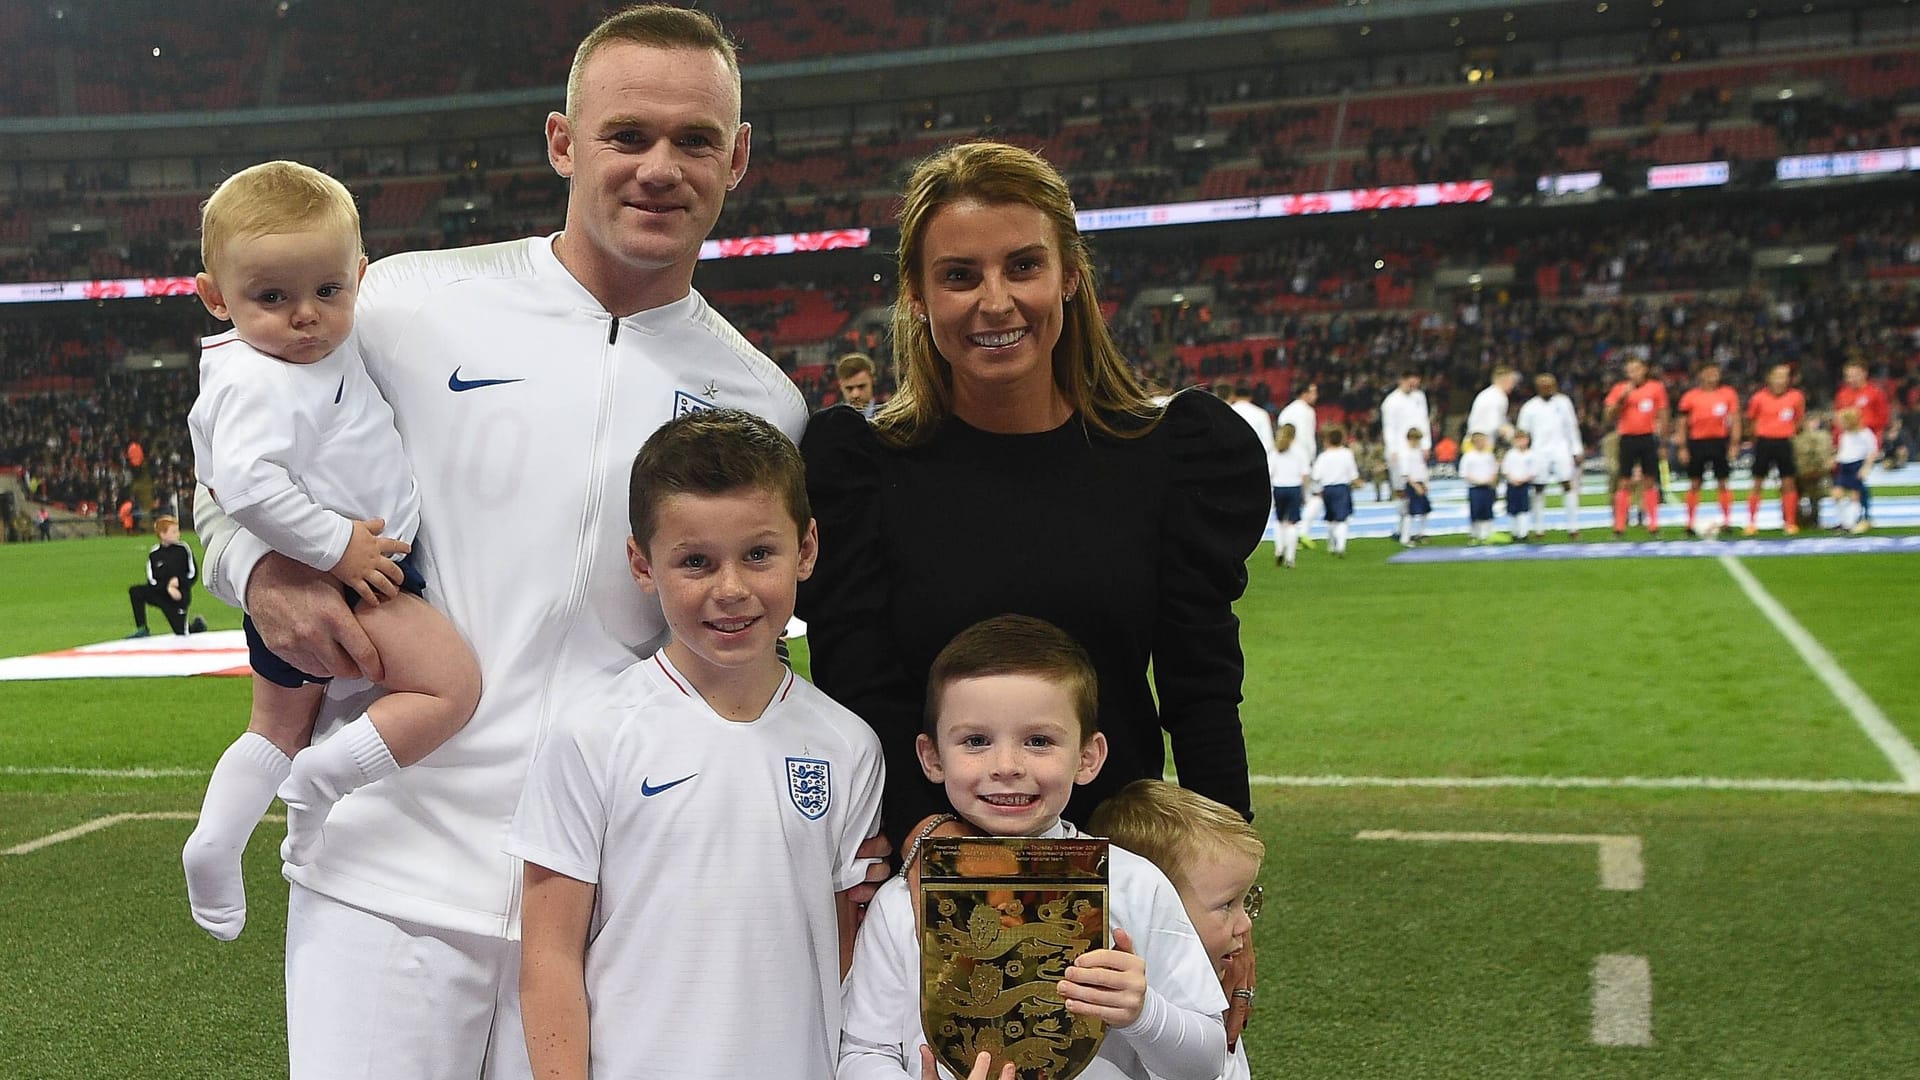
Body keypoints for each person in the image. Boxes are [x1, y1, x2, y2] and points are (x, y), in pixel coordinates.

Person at [191, 8, 865, 1078]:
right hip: (384, 871)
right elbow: (229, 457)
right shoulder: (406, 301)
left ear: (737, 158)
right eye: (626, 134)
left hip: (608, 907)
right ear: (562, 142)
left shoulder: (761, 403)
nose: (659, 168)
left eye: (695, 140)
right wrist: (256, 571)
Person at [798, 141, 1267, 844]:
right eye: (960, 275)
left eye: (1023, 266)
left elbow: (1199, 694)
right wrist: (926, 838)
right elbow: (858, 697)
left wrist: (1228, 892)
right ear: (917, 296)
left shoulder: (1171, 457)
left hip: (1122, 871)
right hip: (927, 875)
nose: (996, 302)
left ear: (1070, 276)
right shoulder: (858, 473)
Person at [511, 410, 883, 1080]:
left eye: (759, 555)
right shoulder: (593, 733)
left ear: (807, 548)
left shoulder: (849, 745)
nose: (731, 589)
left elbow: (843, 945)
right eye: (696, 562)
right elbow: (548, 958)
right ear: (641, 564)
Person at [180, 160, 482, 944]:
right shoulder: (258, 381)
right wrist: (336, 547)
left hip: (338, 569)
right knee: (450, 687)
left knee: (272, 729)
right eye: (271, 298)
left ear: (360, 277)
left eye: (327, 292)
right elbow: (240, 485)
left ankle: (214, 843)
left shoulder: (301, 353)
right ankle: (322, 782)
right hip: (351, 579)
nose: (306, 317)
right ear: (217, 297)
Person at [839, 614, 1229, 1080]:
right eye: (976, 741)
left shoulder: (1135, 883)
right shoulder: (903, 902)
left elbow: (1208, 1064)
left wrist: (1144, 1014)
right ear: (932, 758)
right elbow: (863, 1051)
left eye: (1038, 741)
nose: (1006, 765)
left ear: (1088, 757)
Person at [1088, 780, 1266, 1080]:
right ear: (1160, 905)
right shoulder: (1123, 1019)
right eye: (1227, 905)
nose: (1246, 923)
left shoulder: (1202, 997)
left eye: (1246, 900)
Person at [1602, 357, 1668, 538]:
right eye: (1630, 370)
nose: (1633, 373)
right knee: (1624, 482)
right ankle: (1619, 526)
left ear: (1644, 370)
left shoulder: (1656, 387)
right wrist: (1622, 397)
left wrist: (1663, 442)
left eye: (1636, 369)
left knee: (1649, 481)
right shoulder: (1619, 389)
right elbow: (1608, 416)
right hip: (1627, 438)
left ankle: (1653, 525)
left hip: (1648, 437)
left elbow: (1663, 414)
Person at [1675, 360, 1740, 536]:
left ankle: (1727, 521)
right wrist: (1682, 446)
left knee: (1723, 482)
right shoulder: (1690, 396)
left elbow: (1735, 419)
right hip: (1697, 442)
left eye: (1716, 372)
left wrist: (1735, 443)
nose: (1713, 375)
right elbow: (1681, 423)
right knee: (1695, 483)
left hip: (1720, 442)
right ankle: (1689, 523)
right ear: (1701, 375)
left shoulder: (1728, 394)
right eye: (1709, 372)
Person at [1515, 373, 1584, 539]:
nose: (1548, 389)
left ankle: (1573, 527)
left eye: (1550, 385)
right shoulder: (1529, 407)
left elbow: (1571, 427)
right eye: (1544, 386)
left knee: (1568, 485)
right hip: (1539, 452)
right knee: (1539, 487)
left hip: (1562, 450)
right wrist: (1523, 454)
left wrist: (1577, 449)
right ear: (1538, 388)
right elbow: (1522, 432)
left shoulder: (1564, 403)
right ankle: (1539, 528)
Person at [1744, 363, 1806, 536]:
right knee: (1757, 482)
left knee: (1788, 482)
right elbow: (1751, 420)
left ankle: (1790, 523)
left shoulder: (1796, 397)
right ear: (1769, 378)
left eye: (1784, 376)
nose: (1780, 380)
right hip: (1764, 442)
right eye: (1777, 375)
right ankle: (1751, 522)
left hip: (1785, 442)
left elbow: (1799, 420)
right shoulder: (1758, 398)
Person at [128, 514, 199, 637]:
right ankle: (142, 628)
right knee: (135, 591)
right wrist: (167, 587)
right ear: (162, 534)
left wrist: (179, 583)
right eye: (174, 531)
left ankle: (197, 626)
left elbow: (193, 573)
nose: (178, 534)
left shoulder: (183, 549)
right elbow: (152, 580)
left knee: (181, 632)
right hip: (162, 594)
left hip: (179, 596)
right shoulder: (154, 553)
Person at [1381, 371, 1431, 542]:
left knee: (1421, 487)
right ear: (1401, 380)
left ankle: (1416, 530)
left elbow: (1424, 421)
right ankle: (1401, 528)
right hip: (1400, 451)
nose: (1414, 386)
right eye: (1410, 382)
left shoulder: (1419, 397)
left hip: (1417, 449)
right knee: (1403, 491)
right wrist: (1392, 449)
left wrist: (1426, 445)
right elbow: (1389, 427)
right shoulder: (1391, 401)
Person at [1278, 382, 1320, 544]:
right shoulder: (1307, 411)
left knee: (1286, 504)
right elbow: (1307, 439)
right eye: (1313, 392)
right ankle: (1301, 530)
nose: (1316, 396)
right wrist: (1310, 459)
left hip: (1283, 460)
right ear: (1304, 393)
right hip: (1302, 460)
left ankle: (1286, 538)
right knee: (1313, 497)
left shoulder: (1286, 411)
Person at [1309, 427, 1359, 558]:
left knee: (1330, 518)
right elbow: (1353, 474)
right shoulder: (1347, 454)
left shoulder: (1324, 456)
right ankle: (1340, 546)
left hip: (1327, 489)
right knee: (1342, 518)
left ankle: (1331, 545)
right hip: (1342, 488)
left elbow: (1315, 475)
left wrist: (1317, 489)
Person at [1832, 407, 1879, 534]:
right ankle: (1843, 521)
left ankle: (1850, 523)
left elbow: (1872, 451)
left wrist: (1866, 467)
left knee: (1855, 495)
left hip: (1856, 465)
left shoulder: (1865, 433)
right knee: (1837, 494)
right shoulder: (1844, 435)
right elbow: (1843, 451)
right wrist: (1834, 459)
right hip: (1844, 465)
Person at [1833, 359, 1891, 447]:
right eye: (1848, 376)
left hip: (1869, 439)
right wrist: (1836, 440)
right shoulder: (1842, 394)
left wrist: (1862, 426)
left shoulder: (1875, 393)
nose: (1851, 379)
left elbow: (1884, 418)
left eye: (1855, 375)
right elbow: (1837, 418)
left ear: (1864, 373)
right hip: (1847, 441)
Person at [1269, 423, 1304, 569]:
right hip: (1294, 487)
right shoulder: (1300, 451)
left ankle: (1279, 549)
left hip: (1279, 488)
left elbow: (1270, 472)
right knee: (1292, 523)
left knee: (1279, 521)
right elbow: (1305, 473)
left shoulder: (1275, 450)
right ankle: (1290, 558)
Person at [1459, 432, 1499, 545]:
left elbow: (1494, 471)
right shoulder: (1468, 456)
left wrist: (1491, 481)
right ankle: (1474, 535)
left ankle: (1487, 535)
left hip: (1487, 487)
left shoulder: (1489, 456)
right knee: (1475, 511)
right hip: (1475, 488)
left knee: (1487, 511)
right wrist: (1477, 481)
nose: (1481, 443)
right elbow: (1464, 474)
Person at [1466, 365, 1518, 450]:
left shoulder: (1488, 393)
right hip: (1480, 445)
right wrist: (1513, 435)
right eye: (1512, 382)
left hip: (1475, 440)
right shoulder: (1498, 397)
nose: (1513, 386)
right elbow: (1495, 424)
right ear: (1505, 380)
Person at [1395, 427, 1431, 546]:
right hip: (1412, 484)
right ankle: (1405, 538)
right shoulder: (1405, 453)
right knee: (1410, 512)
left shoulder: (1418, 452)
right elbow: (1406, 473)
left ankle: (1421, 533)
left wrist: (1425, 483)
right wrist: (1415, 486)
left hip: (1420, 482)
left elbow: (1421, 468)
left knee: (1425, 510)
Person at [1501, 429, 1536, 542]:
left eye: (1523, 439)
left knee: (1524, 509)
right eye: (1518, 439)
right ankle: (1514, 532)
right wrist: (1513, 480)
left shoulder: (1531, 454)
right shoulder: (1511, 454)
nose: (1521, 442)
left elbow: (1533, 471)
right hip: (1512, 485)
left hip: (1525, 485)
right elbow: (1505, 470)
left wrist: (1523, 480)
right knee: (1512, 509)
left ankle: (1523, 533)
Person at [837, 352, 879, 418]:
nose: (855, 394)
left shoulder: (891, 418)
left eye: (861, 386)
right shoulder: (830, 422)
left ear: (873, 381)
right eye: (849, 388)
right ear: (840, 385)